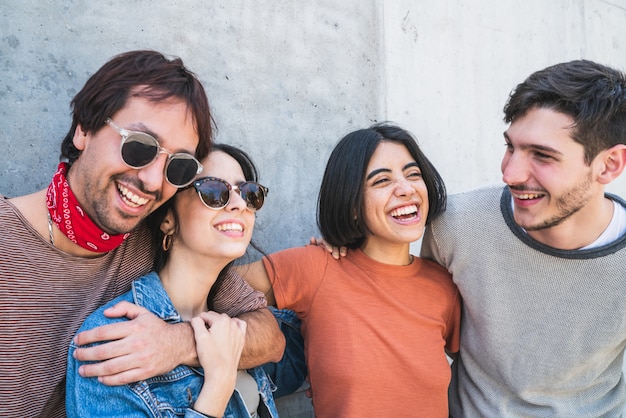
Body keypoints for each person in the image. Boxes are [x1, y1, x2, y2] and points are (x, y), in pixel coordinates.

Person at [0, 50, 283, 418]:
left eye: (178, 166)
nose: (152, 180)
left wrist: (178, 343)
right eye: (139, 147)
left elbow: (268, 335)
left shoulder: (151, 236)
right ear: (84, 128)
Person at [421, 59, 626, 416]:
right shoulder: (455, 226)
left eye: (542, 156)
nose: (511, 173)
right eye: (511, 147)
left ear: (608, 165)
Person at [242, 123, 461, 417]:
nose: (406, 189)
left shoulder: (443, 285)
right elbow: (205, 290)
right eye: (382, 181)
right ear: (352, 204)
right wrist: (266, 334)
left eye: (413, 174)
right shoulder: (315, 267)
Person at [67, 143, 278, 417]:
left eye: (249, 193)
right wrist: (219, 384)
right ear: (167, 218)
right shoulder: (113, 339)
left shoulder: (233, 315)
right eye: (214, 191)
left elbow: (285, 345)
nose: (239, 205)